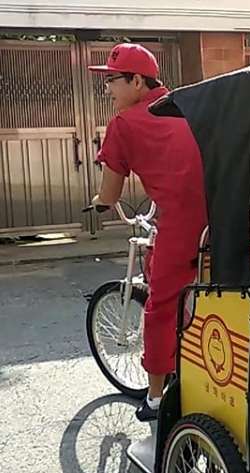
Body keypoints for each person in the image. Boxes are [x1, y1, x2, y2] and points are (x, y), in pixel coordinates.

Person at [89, 43, 207, 422]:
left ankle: (156, 398)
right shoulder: (188, 106)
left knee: (160, 308)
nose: (108, 89)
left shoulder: (123, 124)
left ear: (137, 81)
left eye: (113, 80)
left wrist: (100, 202)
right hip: (226, 219)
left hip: (181, 226)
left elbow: (110, 193)